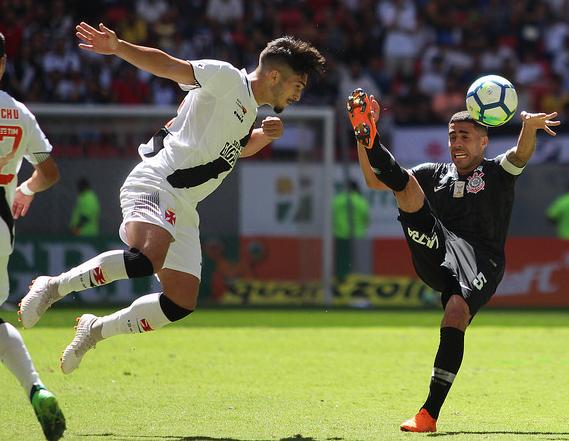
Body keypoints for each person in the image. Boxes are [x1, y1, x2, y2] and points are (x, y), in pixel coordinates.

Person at [20, 22, 325, 375]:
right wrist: (119, 47)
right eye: (297, 85)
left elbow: (234, 152)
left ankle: (95, 329)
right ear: (274, 76)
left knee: (181, 301)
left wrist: (261, 137)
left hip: (183, 205)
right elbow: (169, 65)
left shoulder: (248, 112)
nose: (298, 95)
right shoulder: (227, 79)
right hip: (156, 182)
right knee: (146, 258)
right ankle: (53, 286)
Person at [346, 88, 560, 432]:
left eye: (465, 136)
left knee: (456, 312)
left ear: (484, 141)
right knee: (408, 187)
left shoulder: (496, 172)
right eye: (452, 136)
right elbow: (374, 180)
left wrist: (530, 128)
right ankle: (369, 136)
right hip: (439, 249)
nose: (456, 142)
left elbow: (520, 155)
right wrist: (362, 136)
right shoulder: (435, 173)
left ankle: (428, 415)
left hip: (481, 260)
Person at [0, 33, 66, 440]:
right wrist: (25, 189)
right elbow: (50, 172)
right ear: (3, 63)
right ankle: (36, 388)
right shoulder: (17, 113)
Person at [332, 179, 370, 279]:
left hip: (341, 235)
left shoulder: (338, 200)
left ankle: (341, 281)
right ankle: (358, 282)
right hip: (358, 235)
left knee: (342, 261)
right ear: (356, 188)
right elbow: (366, 219)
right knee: (358, 261)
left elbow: (332, 217)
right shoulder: (360, 201)